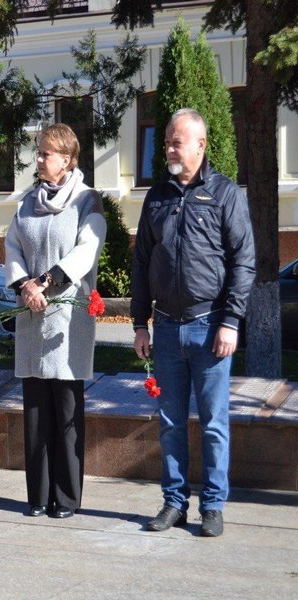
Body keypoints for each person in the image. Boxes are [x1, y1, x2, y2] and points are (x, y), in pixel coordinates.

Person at [132, 108, 255, 537]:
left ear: (201, 145)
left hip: (210, 327)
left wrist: (232, 321)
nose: (167, 147)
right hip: (165, 328)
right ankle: (174, 502)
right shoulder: (157, 196)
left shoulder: (224, 194)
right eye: (166, 140)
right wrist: (139, 323)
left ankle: (214, 505)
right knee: (170, 423)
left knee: (214, 423)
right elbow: (142, 261)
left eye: (175, 141)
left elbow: (244, 261)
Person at [4, 123, 106, 519]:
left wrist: (47, 281)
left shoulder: (87, 201)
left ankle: (65, 497)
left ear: (67, 159)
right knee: (34, 411)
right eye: (40, 152)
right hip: (32, 315)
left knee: (65, 410)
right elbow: (13, 246)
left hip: (66, 320)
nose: (40, 159)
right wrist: (24, 285)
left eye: (47, 153)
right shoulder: (27, 201)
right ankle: (38, 495)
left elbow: (87, 251)